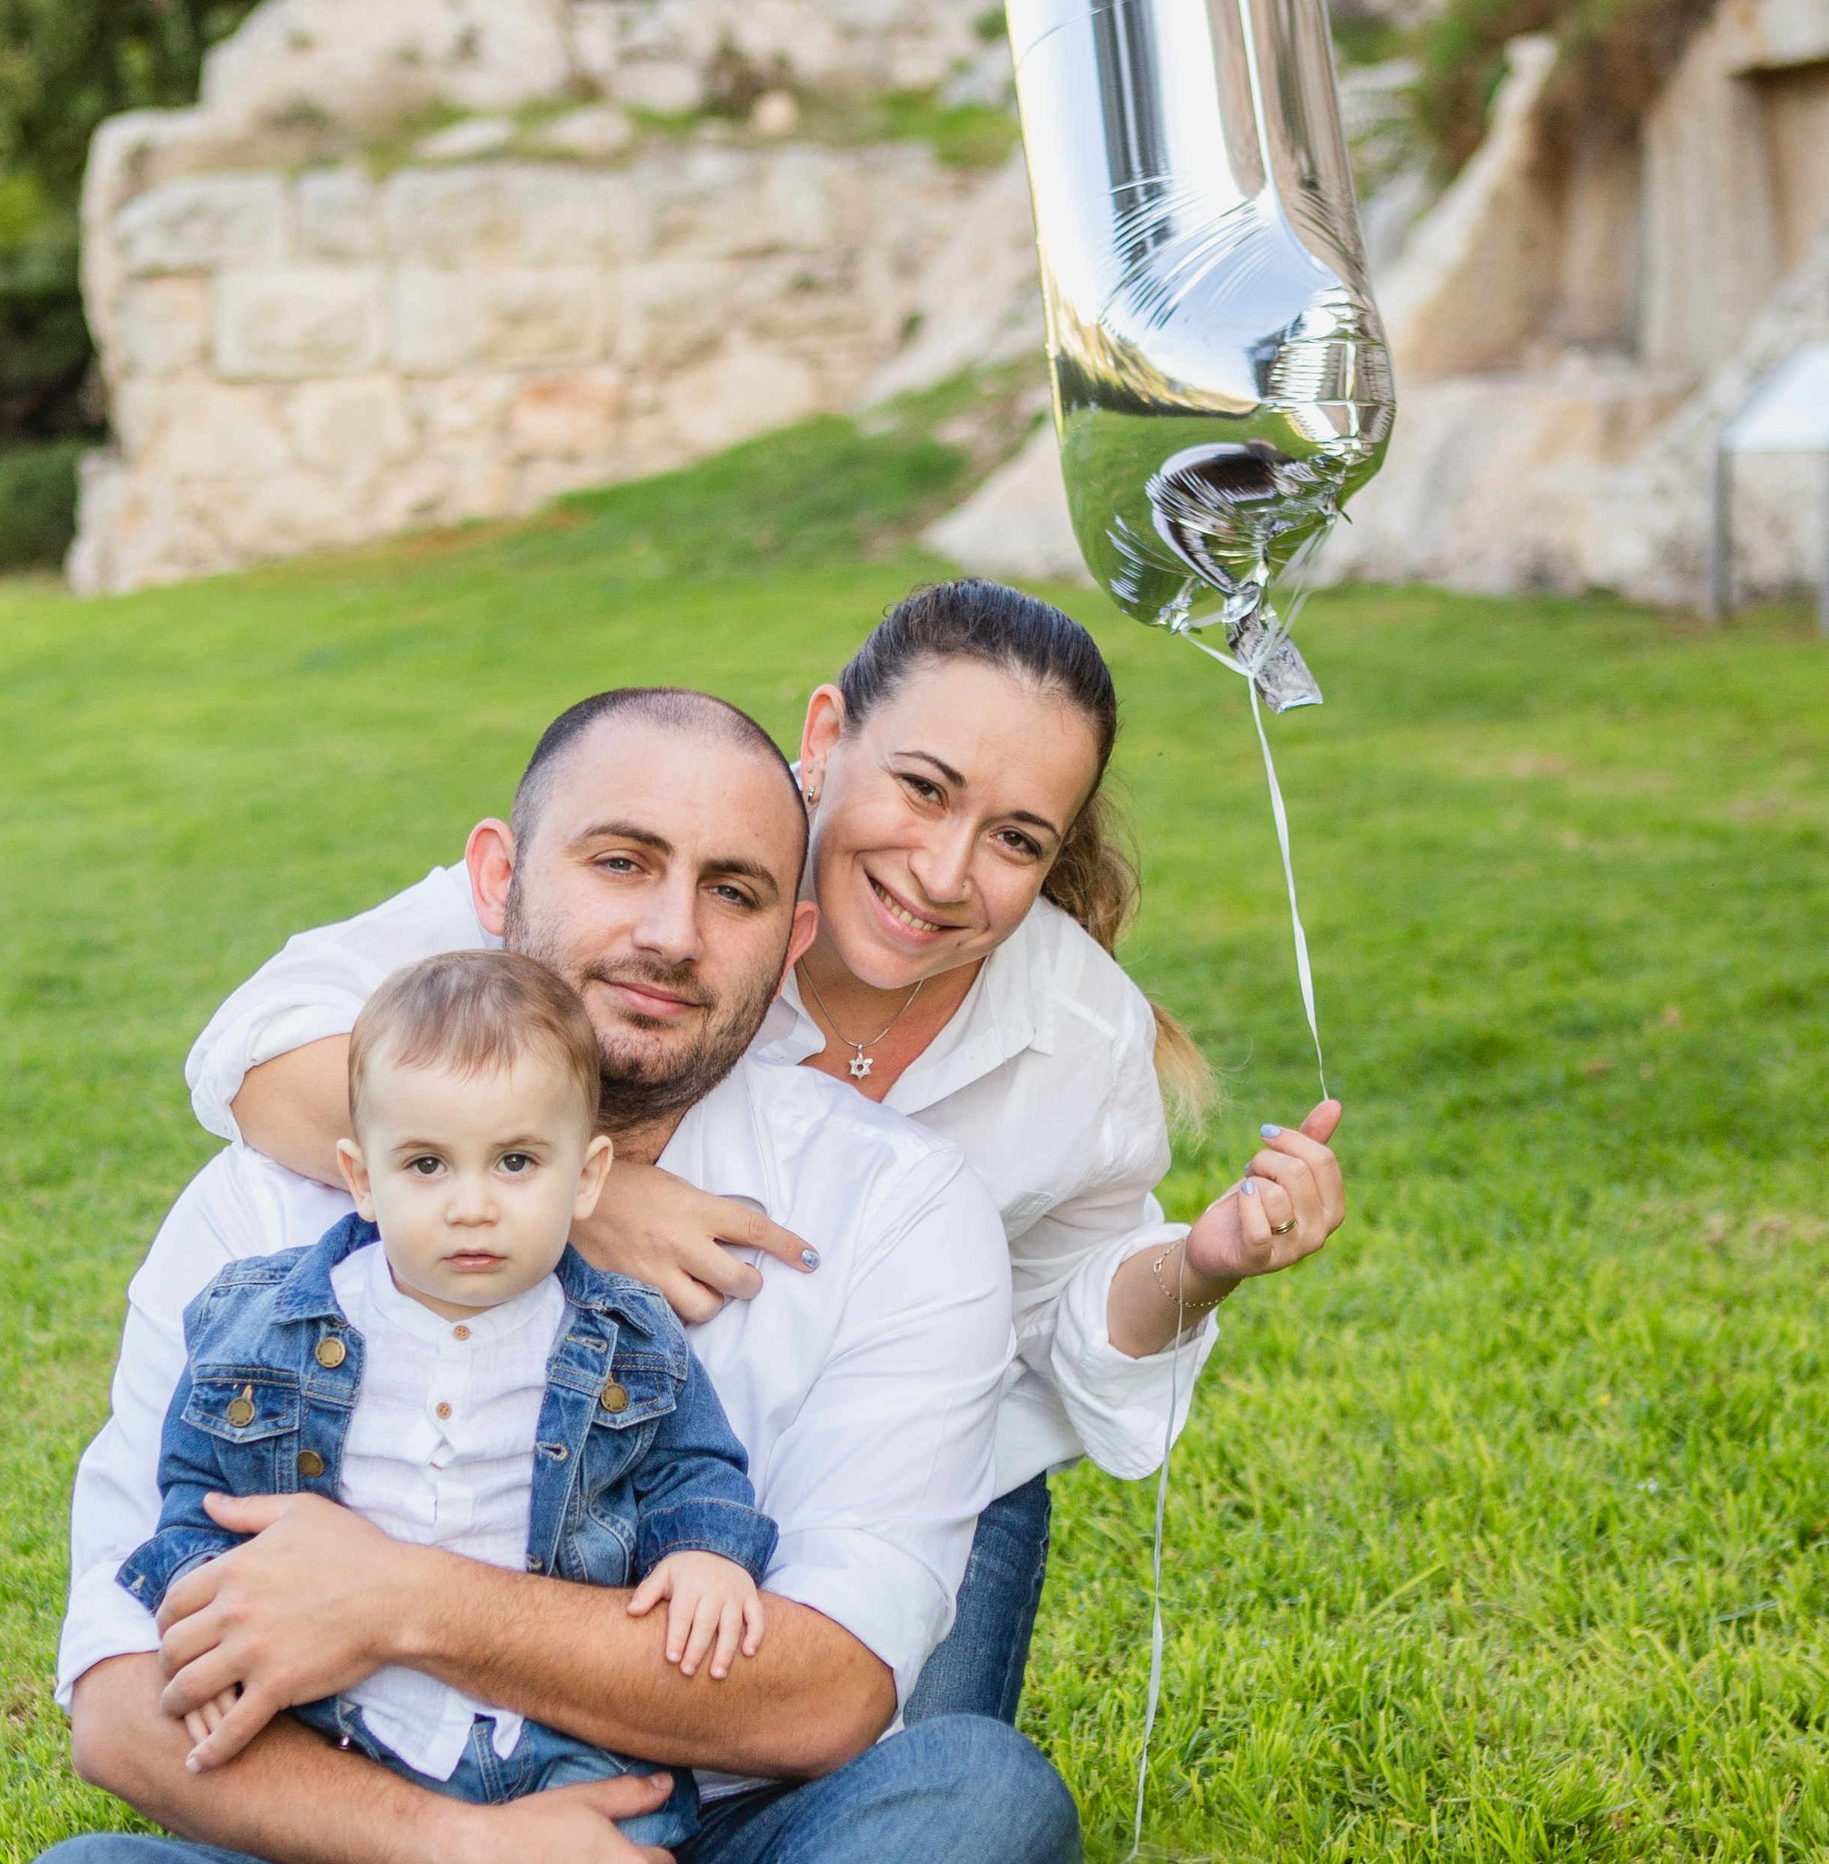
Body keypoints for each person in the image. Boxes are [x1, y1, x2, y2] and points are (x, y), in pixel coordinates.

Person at [0, 685, 1203, 1864]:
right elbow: (129, 1711)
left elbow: (821, 1691)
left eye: (731, 888)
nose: (666, 930)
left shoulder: (886, 1211)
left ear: (789, 935)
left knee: (974, 1804)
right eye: (617, 864)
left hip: (723, 1860)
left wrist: (399, 1597)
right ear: (494, 879)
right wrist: (460, 1863)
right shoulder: (270, 1202)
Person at [189, 580, 1347, 1733]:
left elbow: (1070, 1307)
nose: (944, 874)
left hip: (908, 1460)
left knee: (913, 1806)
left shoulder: (1078, 1034)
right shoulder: (677, 874)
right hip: (605, 1433)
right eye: (922, 788)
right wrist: (592, 1199)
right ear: (827, 738)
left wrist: (1202, 1261)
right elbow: (257, 1052)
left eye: (1013, 840)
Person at [120, 947, 777, 1864]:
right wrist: (201, 1592)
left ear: (587, 1176)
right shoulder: (270, 1326)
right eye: (426, 1164)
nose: (471, 1207)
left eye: (516, 1161)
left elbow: (691, 1465)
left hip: (574, 1749)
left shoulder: (621, 1334)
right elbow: (196, 1488)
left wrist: (707, 1552)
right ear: (361, 1175)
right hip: (380, 1749)